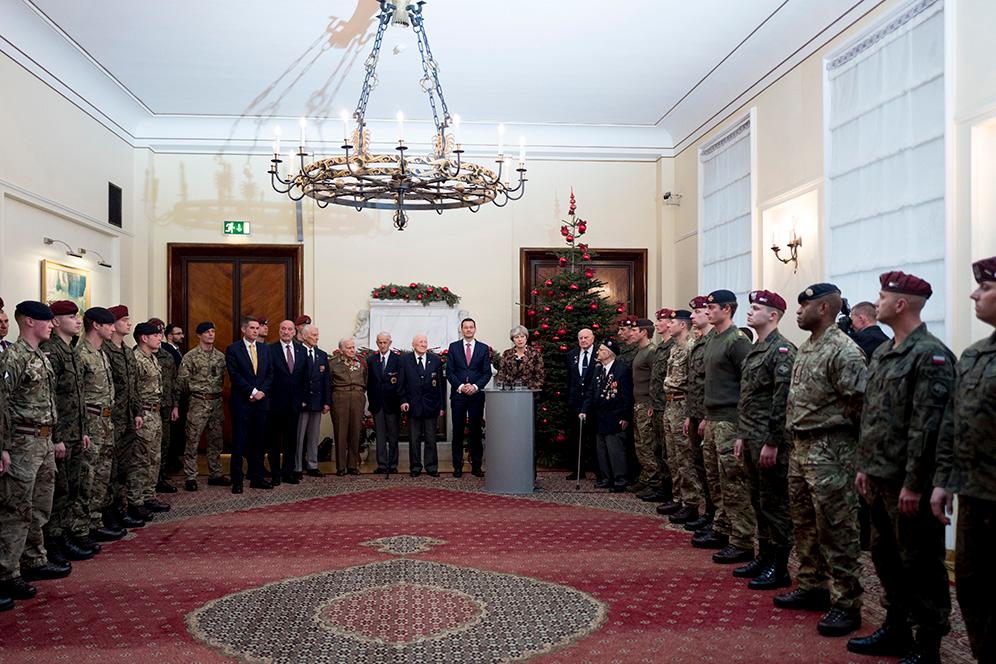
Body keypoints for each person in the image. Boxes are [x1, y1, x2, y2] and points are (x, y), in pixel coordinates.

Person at [848, 272, 953, 663]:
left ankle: (928, 644)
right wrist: (864, 466)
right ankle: (896, 628)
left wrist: (915, 483)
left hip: (909, 483)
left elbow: (930, 426)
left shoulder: (930, 354)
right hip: (879, 476)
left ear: (901, 304)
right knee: (885, 557)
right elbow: (872, 415)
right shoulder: (883, 352)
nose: (877, 302)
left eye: (882, 296)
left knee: (920, 563)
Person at [776, 283, 867, 639]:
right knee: (804, 522)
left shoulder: (844, 350)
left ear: (824, 308)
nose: (798, 312)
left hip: (832, 450)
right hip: (801, 447)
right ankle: (812, 584)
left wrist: (855, 456)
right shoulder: (808, 346)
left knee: (836, 526)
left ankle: (847, 602)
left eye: (805, 305)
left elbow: (860, 407)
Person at [931, 256, 996, 664]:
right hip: (975, 494)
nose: (974, 294)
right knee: (972, 586)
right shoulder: (973, 355)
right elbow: (953, 422)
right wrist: (945, 480)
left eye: (985, 288)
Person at [0, 301, 70, 607]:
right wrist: (3, 446)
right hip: (22, 443)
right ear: (30, 321)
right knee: (16, 509)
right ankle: (7, 572)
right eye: (47, 320)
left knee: (40, 506)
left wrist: (53, 439)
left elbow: (48, 403)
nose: (52, 325)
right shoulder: (14, 356)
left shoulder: (40, 355)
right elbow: (2, 403)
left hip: (42, 441)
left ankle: (33, 559)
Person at [734, 290, 797, 590]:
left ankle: (779, 566)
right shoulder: (756, 348)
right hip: (750, 436)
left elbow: (781, 401)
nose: (750, 311)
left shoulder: (782, 350)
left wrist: (772, 441)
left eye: (756, 308)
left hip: (769, 440)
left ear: (773, 315)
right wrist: (741, 434)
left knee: (774, 503)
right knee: (758, 500)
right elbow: (747, 397)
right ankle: (764, 556)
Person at [697, 290, 753, 562]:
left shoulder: (737, 341)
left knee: (733, 480)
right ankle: (722, 527)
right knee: (715, 478)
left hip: (730, 420)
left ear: (727, 309)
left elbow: (748, 384)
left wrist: (743, 426)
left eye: (712, 307)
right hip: (713, 418)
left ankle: (742, 539)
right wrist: (705, 416)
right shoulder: (713, 339)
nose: (707, 311)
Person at [39, 301, 96, 565]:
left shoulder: (70, 350)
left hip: (75, 432)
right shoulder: (51, 351)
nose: (76, 321)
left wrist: (83, 430)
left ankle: (66, 534)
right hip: (61, 434)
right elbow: (51, 398)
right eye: (71, 317)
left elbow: (78, 396)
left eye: (77, 316)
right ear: (56, 321)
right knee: (59, 492)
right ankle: (53, 541)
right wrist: (57, 437)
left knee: (73, 487)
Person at [77, 307, 124, 543]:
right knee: (88, 475)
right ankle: (80, 528)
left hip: (106, 420)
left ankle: (95, 521)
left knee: (102, 474)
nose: (113, 328)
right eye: (109, 324)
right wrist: (83, 428)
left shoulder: (101, 353)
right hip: (91, 420)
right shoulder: (81, 354)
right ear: (96, 325)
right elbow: (76, 396)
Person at [103, 305, 146, 528]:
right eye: (124, 319)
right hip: (112, 418)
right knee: (109, 468)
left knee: (124, 467)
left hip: (128, 418)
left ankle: (122, 508)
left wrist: (137, 412)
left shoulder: (128, 351)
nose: (129, 323)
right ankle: (109, 512)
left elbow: (134, 386)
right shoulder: (105, 351)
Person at [661, 310, 704, 525]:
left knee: (685, 456)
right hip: (670, 403)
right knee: (673, 456)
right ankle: (678, 497)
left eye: (672, 322)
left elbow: (694, 383)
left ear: (683, 325)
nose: (668, 325)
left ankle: (691, 503)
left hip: (681, 403)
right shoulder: (675, 347)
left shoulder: (690, 347)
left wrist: (689, 413)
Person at [177, 322, 228, 491]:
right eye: (207, 332)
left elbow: (223, 379)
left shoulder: (220, 357)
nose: (211, 334)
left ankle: (215, 473)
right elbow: (183, 383)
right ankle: (191, 476)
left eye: (213, 331)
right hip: (198, 402)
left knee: (216, 440)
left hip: (216, 403)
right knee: (193, 439)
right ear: (199, 335)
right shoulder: (190, 357)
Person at [226, 316, 273, 493]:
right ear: (244, 329)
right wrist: (252, 392)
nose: (255, 331)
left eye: (257, 328)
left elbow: (270, 374)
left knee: (259, 441)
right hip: (242, 402)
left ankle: (257, 477)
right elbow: (234, 375)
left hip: (261, 402)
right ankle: (237, 480)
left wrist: (261, 392)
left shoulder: (264, 349)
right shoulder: (233, 349)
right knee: (239, 441)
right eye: (252, 328)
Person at [579, 338, 633, 492]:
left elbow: (627, 396)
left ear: (609, 353)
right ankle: (605, 478)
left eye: (601, 350)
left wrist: (625, 417)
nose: (598, 352)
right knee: (601, 450)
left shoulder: (621, 369)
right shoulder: (598, 369)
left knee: (615, 450)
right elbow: (591, 392)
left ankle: (620, 480)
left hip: (615, 416)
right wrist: (584, 410)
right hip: (599, 416)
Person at [684, 296, 716, 535]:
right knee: (700, 466)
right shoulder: (699, 342)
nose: (692, 316)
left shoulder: (716, 341)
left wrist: (706, 415)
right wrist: (690, 414)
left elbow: (714, 384)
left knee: (712, 470)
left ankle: (715, 517)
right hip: (695, 413)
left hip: (710, 415)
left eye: (698, 312)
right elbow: (693, 383)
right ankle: (710, 514)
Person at [131, 323, 170, 516]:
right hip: (144, 413)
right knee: (141, 459)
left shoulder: (153, 358)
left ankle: (149, 496)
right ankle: (136, 500)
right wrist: (137, 413)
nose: (159, 338)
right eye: (155, 335)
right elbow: (133, 390)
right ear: (144, 338)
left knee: (154, 458)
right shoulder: (136, 359)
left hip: (155, 413)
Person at [447, 318, 492, 478]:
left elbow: (486, 372)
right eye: (465, 327)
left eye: (471, 327)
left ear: (475, 329)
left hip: (476, 396)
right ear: (461, 329)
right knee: (457, 432)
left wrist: (475, 387)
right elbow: (450, 372)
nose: (468, 330)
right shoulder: (453, 347)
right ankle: (457, 466)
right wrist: (461, 386)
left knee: (475, 431)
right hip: (458, 396)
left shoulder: (483, 348)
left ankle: (476, 466)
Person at [630, 319, 667, 501]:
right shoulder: (640, 351)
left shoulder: (652, 351)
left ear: (644, 332)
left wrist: (653, 403)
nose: (631, 333)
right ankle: (646, 478)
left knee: (648, 445)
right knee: (640, 444)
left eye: (634, 330)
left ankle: (654, 481)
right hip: (638, 403)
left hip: (647, 404)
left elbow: (657, 379)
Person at [398, 334, 446, 477]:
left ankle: (431, 467)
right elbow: (401, 384)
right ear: (413, 344)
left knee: (431, 438)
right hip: (413, 406)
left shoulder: (435, 360)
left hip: (431, 406)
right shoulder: (405, 360)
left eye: (425, 342)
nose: (423, 344)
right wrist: (403, 401)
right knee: (414, 439)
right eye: (420, 342)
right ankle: (415, 467)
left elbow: (440, 386)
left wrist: (441, 407)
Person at [267, 320, 308, 483]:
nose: (286, 332)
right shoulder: (270, 349)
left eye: (289, 329)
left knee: (291, 440)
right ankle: (275, 474)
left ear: (294, 332)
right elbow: (267, 375)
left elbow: (305, 377)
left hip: (295, 403)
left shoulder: (301, 350)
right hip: (275, 403)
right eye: (283, 328)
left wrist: (303, 399)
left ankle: (288, 473)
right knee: (274, 441)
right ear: (279, 331)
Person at [147, 319, 179, 495]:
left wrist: (175, 405)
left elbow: (174, 382)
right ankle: (148, 480)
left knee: (164, 443)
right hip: (147, 408)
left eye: (160, 334)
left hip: (165, 406)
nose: (159, 337)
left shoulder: (167, 356)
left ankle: (160, 476)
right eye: (156, 334)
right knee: (148, 446)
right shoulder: (138, 355)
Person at [649, 309, 676, 509]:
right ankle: (663, 486)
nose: (657, 324)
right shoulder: (660, 347)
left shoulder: (674, 346)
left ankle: (671, 491)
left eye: (661, 320)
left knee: (669, 451)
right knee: (658, 448)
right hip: (657, 405)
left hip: (669, 405)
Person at [295, 324, 331, 479]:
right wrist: (299, 400)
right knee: (299, 436)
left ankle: (312, 465)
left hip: (317, 401)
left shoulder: (321, 355)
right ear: (304, 336)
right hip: (302, 402)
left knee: (314, 435)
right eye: (314, 335)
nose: (317, 338)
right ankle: (297, 466)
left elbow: (326, 380)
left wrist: (327, 402)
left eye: (317, 335)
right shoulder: (297, 352)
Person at [330, 338, 367, 475]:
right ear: (341, 350)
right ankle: (341, 467)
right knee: (341, 432)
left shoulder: (361, 361)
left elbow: (366, 379)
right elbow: (328, 382)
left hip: (357, 397)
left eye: (353, 347)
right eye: (348, 348)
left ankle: (352, 465)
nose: (352, 350)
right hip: (340, 397)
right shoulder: (333, 363)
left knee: (355, 431)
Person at [367, 331, 402, 474]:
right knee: (380, 436)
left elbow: (401, 383)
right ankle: (382, 464)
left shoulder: (398, 359)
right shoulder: (371, 360)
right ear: (377, 343)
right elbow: (369, 383)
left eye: (385, 342)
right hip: (377, 404)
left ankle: (393, 465)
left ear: (390, 343)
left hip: (393, 403)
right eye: (380, 342)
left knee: (393, 436)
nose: (382, 345)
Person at [566, 328, 599, 481]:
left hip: (594, 403)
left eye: (586, 337)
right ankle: (578, 471)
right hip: (576, 403)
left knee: (594, 439)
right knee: (576, 439)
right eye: (581, 338)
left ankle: (599, 472)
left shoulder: (600, 354)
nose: (583, 340)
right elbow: (570, 380)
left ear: (593, 338)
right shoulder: (571, 355)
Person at [495, 325, 545, 389]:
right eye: (516, 337)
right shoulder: (506, 354)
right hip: (510, 391)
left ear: (526, 338)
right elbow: (501, 374)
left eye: (522, 336)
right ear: (513, 340)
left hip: (530, 391)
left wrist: (530, 388)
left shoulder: (535, 354)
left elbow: (540, 376)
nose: (520, 339)